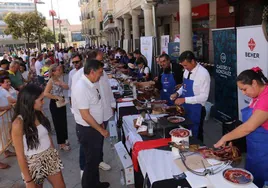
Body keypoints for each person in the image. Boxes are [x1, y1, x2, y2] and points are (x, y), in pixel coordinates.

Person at [214, 68, 268, 188]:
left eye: (244, 89)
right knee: (252, 181)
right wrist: (235, 140)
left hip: (265, 153)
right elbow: (246, 125)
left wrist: (225, 137)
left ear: (254, 83)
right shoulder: (257, 95)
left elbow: (249, 126)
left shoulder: (266, 98)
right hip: (254, 150)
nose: (244, 93)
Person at [11, 84, 65, 188]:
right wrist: (28, 180)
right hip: (32, 162)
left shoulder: (39, 113)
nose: (43, 102)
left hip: (49, 156)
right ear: (30, 101)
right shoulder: (18, 123)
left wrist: (54, 153)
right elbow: (20, 155)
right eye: (41, 100)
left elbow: (47, 135)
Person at [72, 59, 110, 188]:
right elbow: (85, 115)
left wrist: (101, 123)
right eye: (100, 72)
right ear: (92, 72)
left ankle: (96, 184)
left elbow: (96, 106)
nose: (101, 75)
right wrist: (100, 129)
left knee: (95, 160)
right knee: (90, 162)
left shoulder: (91, 83)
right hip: (88, 129)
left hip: (95, 127)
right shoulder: (81, 87)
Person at [172, 51, 210, 141]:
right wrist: (177, 93)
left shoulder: (203, 74)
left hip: (197, 109)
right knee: (185, 132)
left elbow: (204, 96)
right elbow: (184, 86)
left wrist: (184, 100)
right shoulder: (186, 71)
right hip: (186, 108)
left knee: (196, 135)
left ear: (193, 61)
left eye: (186, 65)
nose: (184, 68)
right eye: (183, 66)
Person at [44, 64, 70, 151]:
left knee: (64, 122)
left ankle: (64, 139)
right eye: (58, 70)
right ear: (54, 72)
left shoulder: (60, 78)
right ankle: (61, 143)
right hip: (55, 103)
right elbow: (46, 93)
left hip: (61, 102)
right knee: (58, 124)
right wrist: (56, 97)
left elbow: (67, 87)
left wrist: (61, 83)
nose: (60, 71)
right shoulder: (50, 81)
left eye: (60, 69)